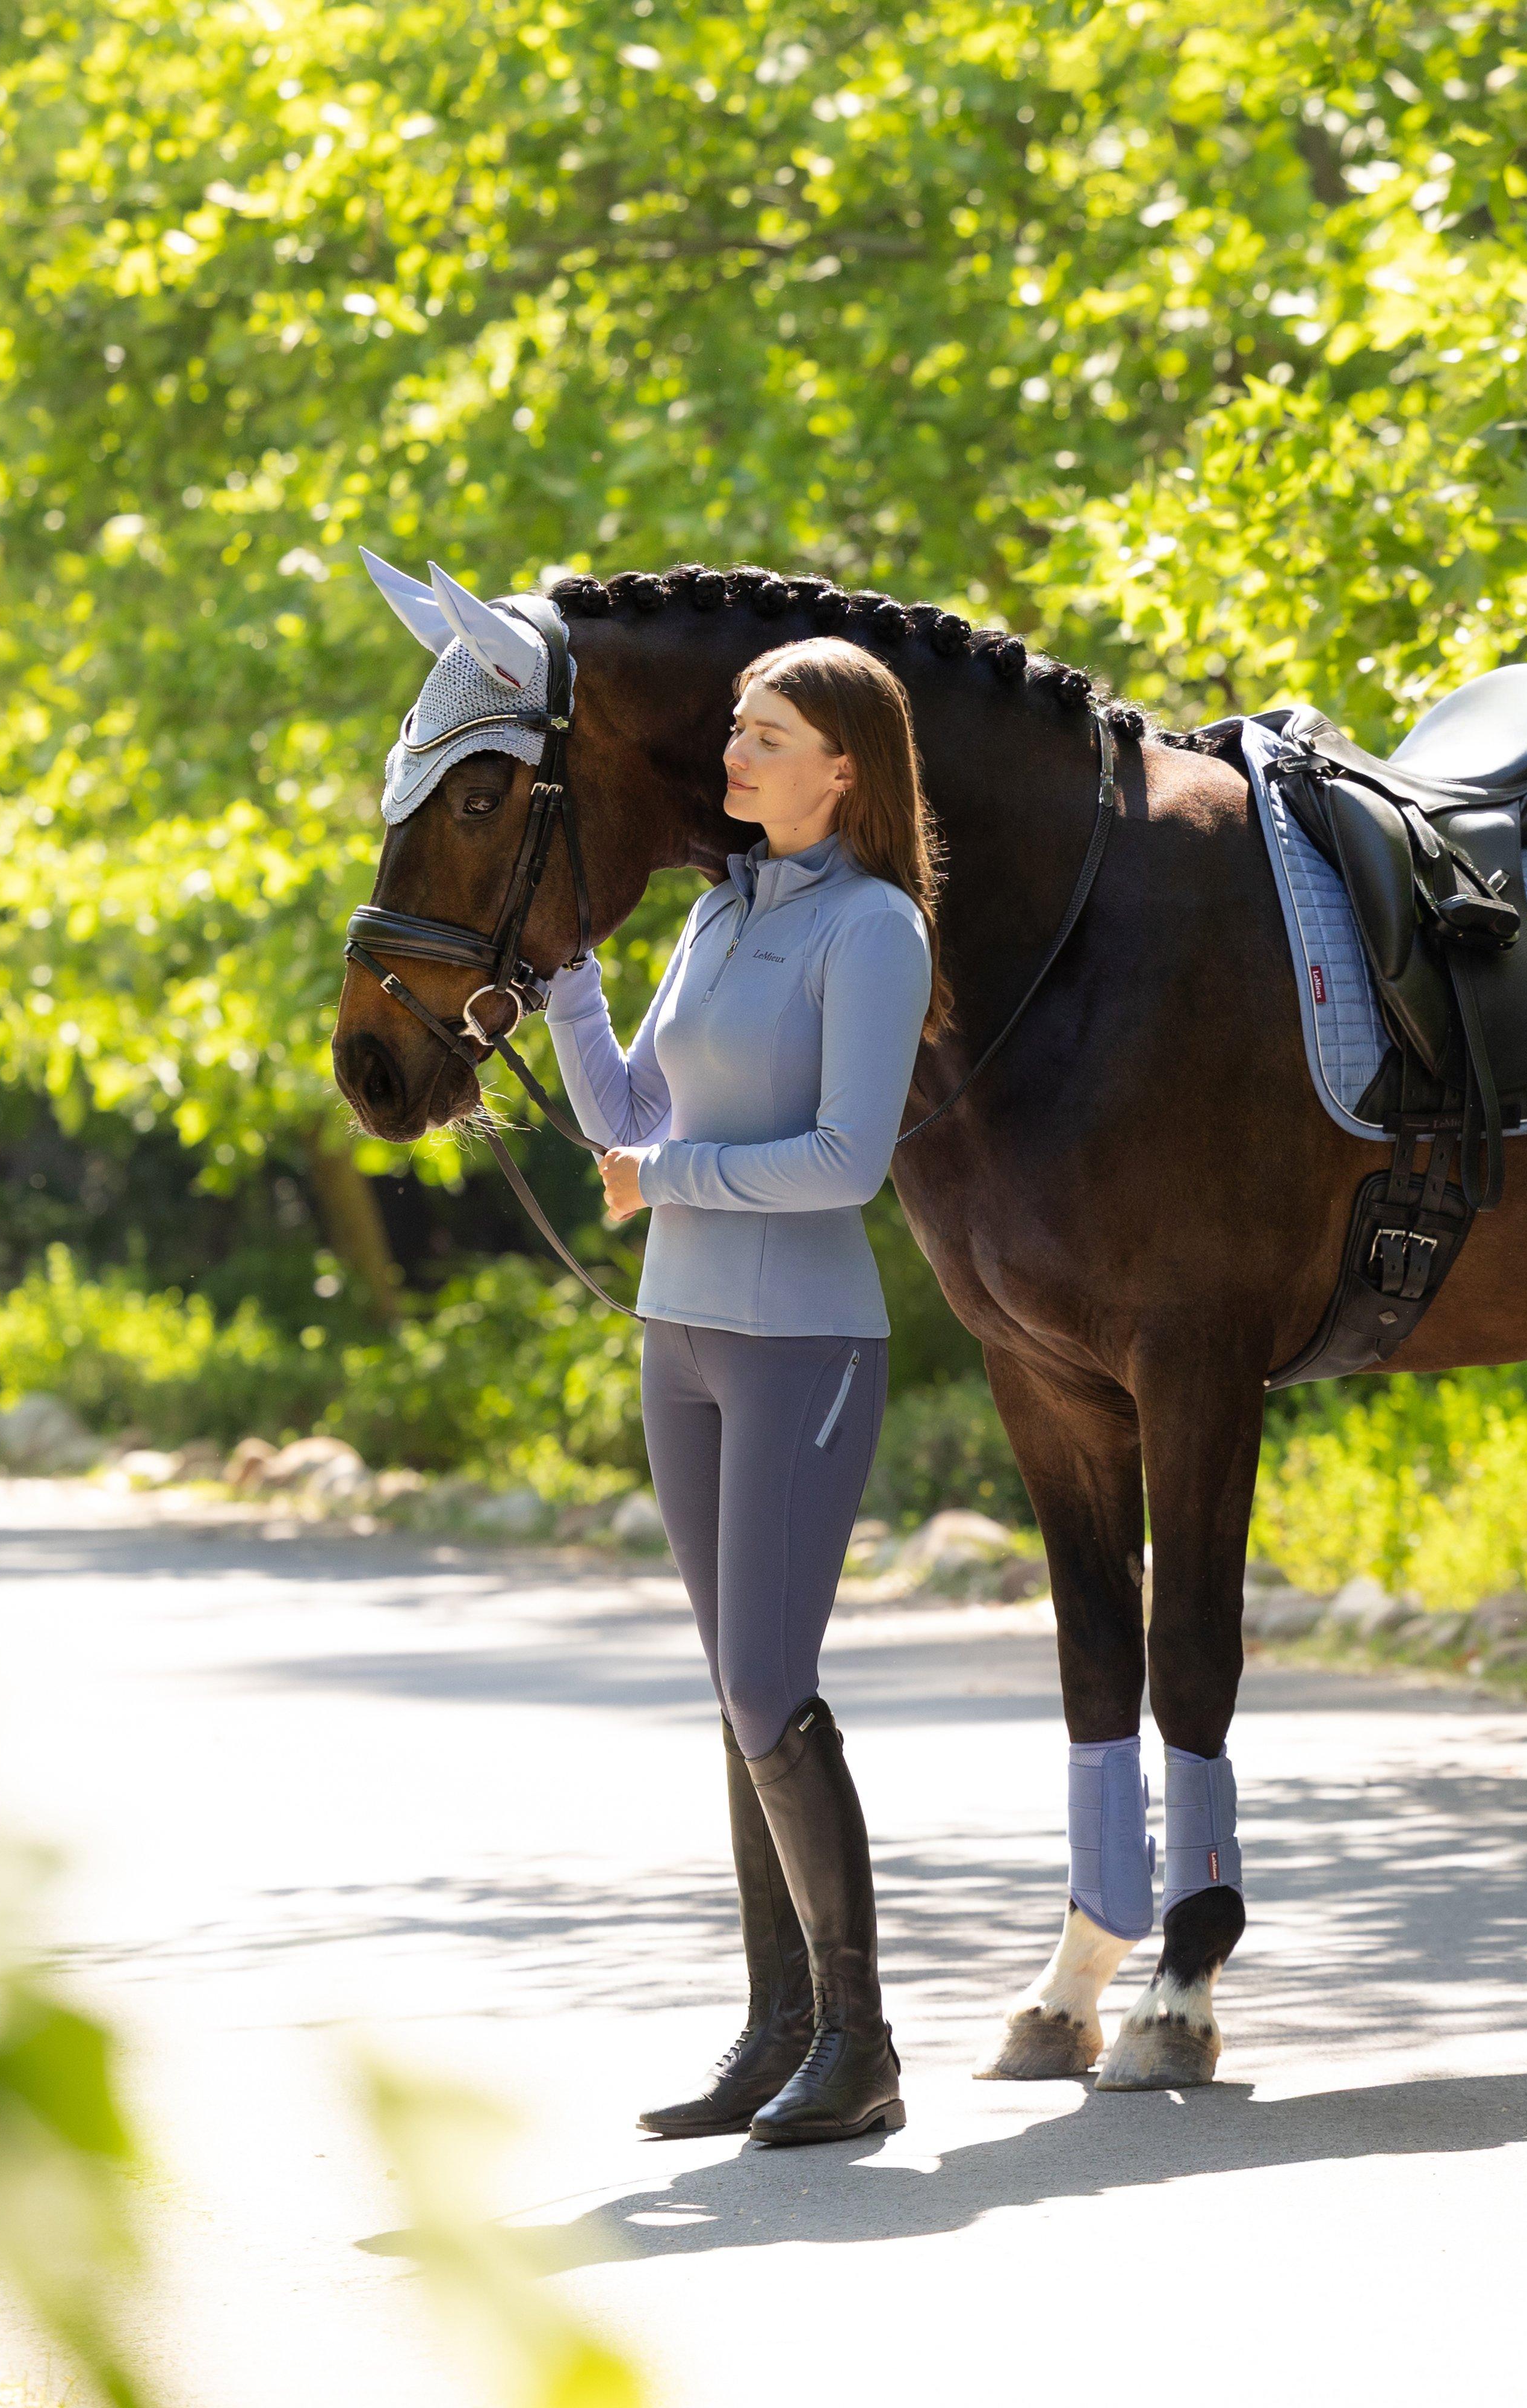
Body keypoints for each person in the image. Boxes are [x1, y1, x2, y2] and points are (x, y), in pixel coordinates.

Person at [546, 636, 947, 2146]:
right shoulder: (716, 916)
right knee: (736, 1693)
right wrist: (571, 984)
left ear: (843, 767)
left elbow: (846, 1160)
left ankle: (862, 2042)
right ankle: (778, 2028)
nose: (733, 755)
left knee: (770, 1682)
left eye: (765, 736)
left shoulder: (874, 928)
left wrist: (669, 1176)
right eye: (735, 730)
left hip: (801, 1345)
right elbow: (629, 1114)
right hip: (682, 1336)